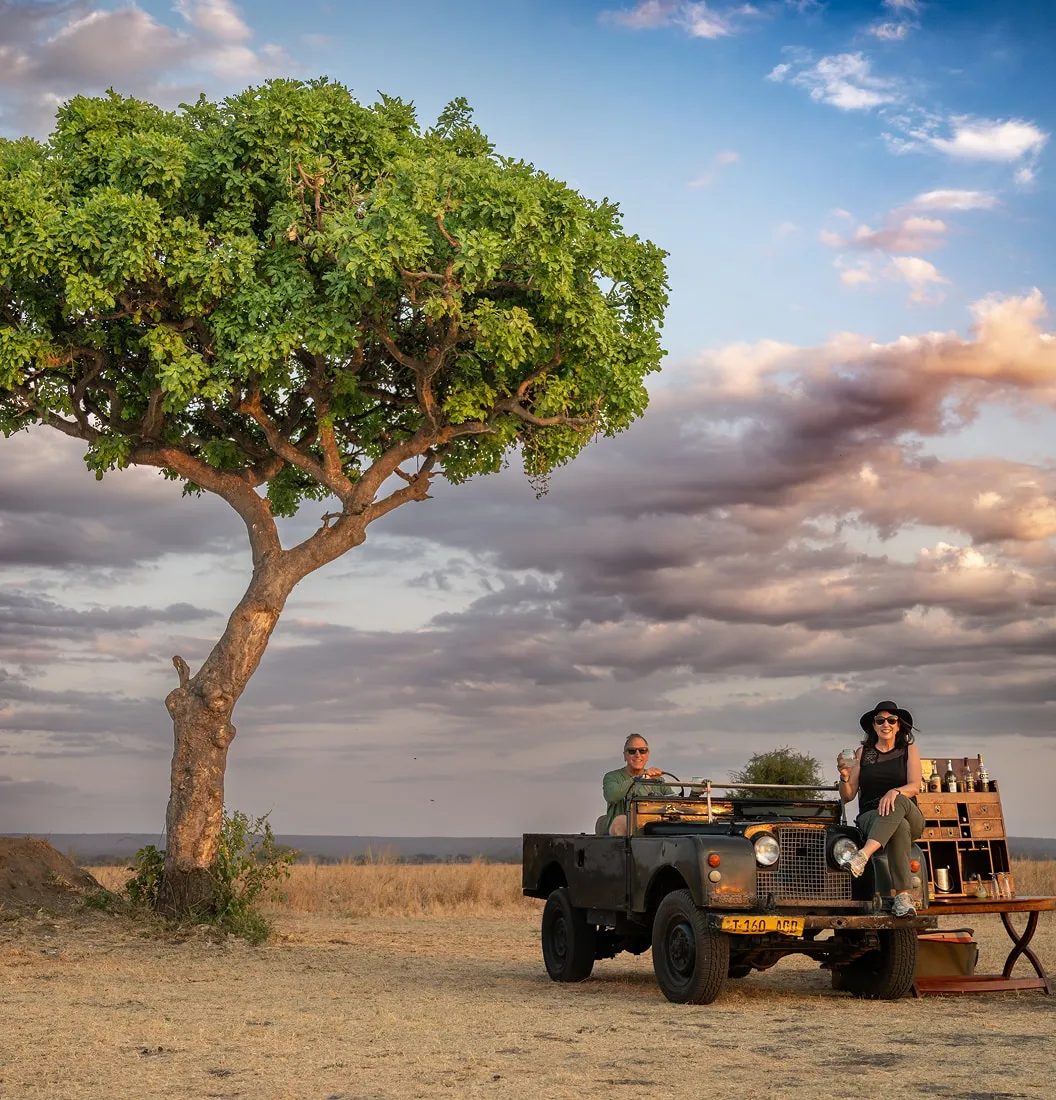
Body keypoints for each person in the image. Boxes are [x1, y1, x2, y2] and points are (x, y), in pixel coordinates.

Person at [837, 700, 924, 918]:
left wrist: (894, 792)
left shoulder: (909, 750)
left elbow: (915, 786)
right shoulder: (862, 753)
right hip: (871, 816)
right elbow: (848, 795)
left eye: (891, 720)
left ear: (899, 725)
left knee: (899, 802)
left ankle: (863, 855)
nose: (886, 724)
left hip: (908, 810)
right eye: (880, 720)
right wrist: (844, 776)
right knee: (899, 826)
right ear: (874, 726)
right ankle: (903, 898)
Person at [602, 735, 671, 836]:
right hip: (622, 837)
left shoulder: (658, 780)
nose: (637, 755)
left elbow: (674, 803)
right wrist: (640, 778)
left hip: (652, 829)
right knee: (622, 821)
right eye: (632, 751)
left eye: (642, 751)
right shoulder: (612, 777)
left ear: (647, 755)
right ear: (625, 756)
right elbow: (611, 796)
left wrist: (694, 793)